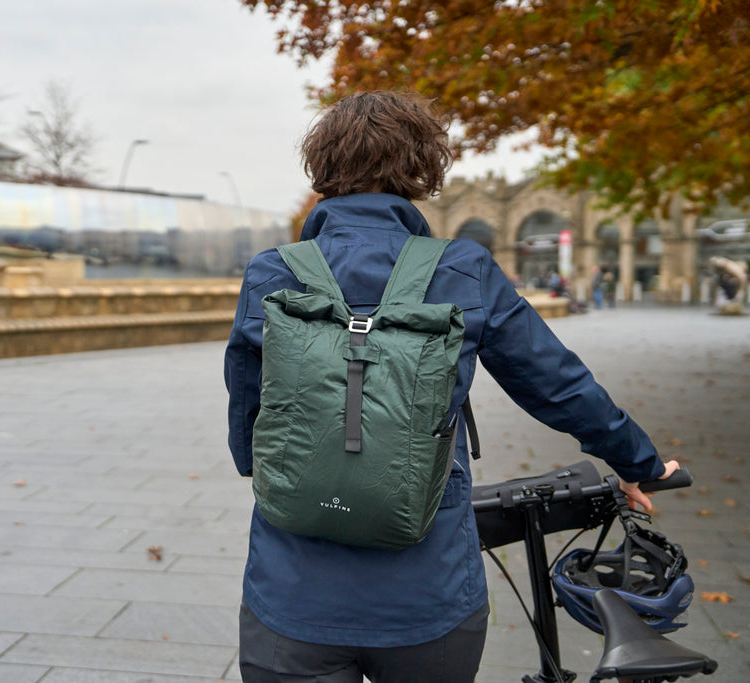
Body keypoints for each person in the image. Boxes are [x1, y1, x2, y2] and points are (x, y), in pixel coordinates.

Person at [224, 91, 678, 683]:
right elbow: (556, 383)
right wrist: (637, 462)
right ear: (422, 169)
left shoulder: (272, 271)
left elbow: (248, 415)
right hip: (428, 592)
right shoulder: (462, 268)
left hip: (291, 592)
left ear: (322, 167)